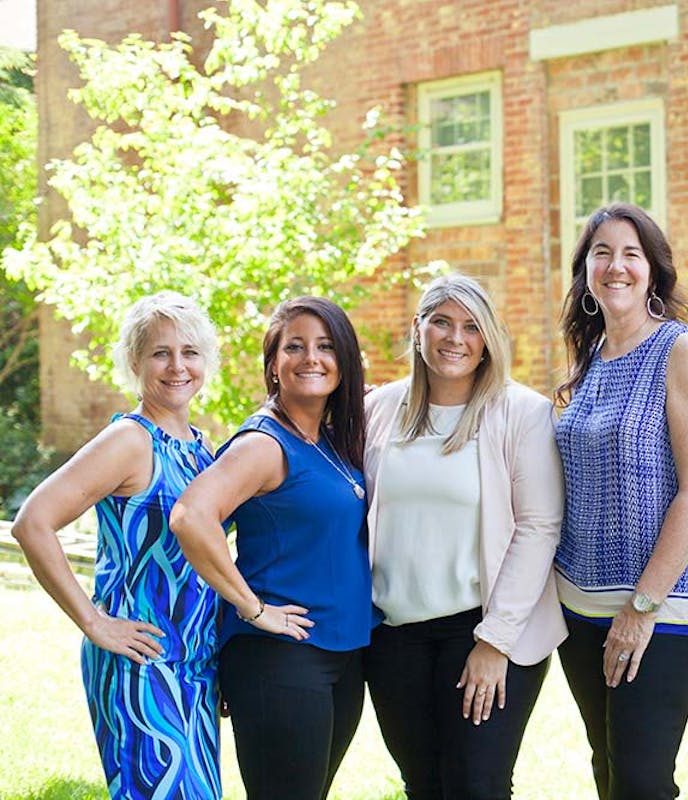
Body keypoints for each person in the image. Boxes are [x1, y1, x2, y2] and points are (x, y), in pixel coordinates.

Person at [361, 274, 565, 799]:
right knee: (422, 786)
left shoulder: (522, 411)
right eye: (442, 322)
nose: (456, 338)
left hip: (484, 630)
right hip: (394, 635)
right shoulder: (378, 410)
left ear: (488, 339)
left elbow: (539, 527)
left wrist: (494, 640)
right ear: (418, 328)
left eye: (472, 327)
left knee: (478, 786)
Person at [12, 292, 221, 799]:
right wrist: (93, 621)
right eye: (160, 353)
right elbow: (32, 522)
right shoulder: (131, 440)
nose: (177, 366)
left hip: (194, 664)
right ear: (135, 362)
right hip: (141, 663)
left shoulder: (200, 447)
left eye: (190, 352)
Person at [170, 296, 374, 800]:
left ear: (344, 361)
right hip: (279, 658)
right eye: (295, 346)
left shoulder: (324, 439)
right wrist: (253, 608)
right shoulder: (264, 444)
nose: (312, 358)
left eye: (326, 346)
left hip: (340, 654)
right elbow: (191, 516)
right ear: (273, 365)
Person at [554, 202, 688, 800]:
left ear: (653, 271)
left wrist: (641, 606)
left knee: (641, 781)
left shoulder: (683, 350)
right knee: (608, 769)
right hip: (578, 607)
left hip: (661, 607)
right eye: (602, 252)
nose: (616, 266)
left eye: (632, 253)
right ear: (585, 272)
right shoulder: (587, 359)